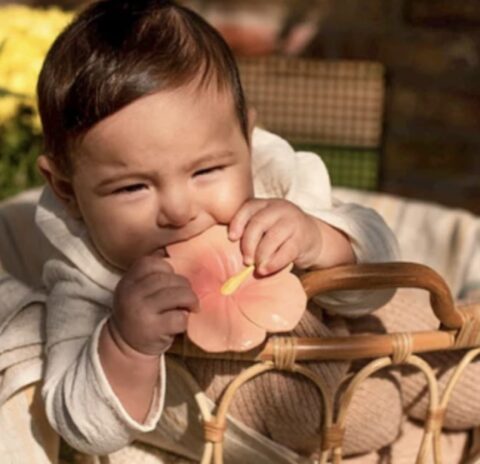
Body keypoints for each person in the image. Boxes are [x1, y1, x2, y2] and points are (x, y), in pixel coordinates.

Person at [33, 0, 400, 461]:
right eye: (132, 187)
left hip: (362, 366)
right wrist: (125, 346)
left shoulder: (276, 187)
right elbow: (80, 426)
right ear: (66, 190)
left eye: (205, 171)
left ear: (246, 138)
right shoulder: (87, 278)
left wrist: (319, 239)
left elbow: (383, 271)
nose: (179, 211)